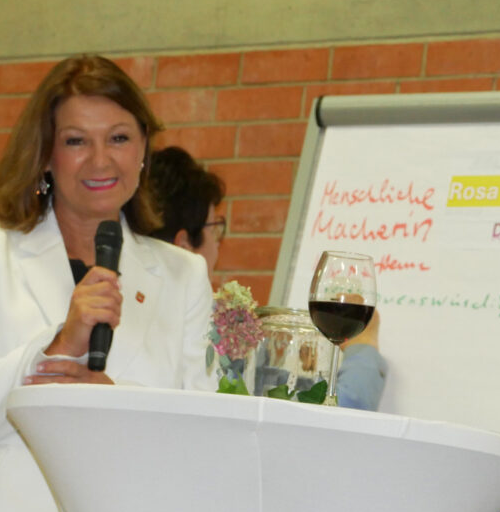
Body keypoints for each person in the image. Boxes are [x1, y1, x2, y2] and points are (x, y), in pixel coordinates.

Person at [0, 55, 217, 512]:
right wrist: (54, 348)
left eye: (119, 138)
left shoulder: (183, 275)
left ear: (143, 149)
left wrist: (113, 402)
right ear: (45, 155)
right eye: (77, 141)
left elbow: (204, 434)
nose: (101, 161)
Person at [146, 146, 387, 410]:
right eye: (214, 227)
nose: (218, 243)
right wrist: (363, 347)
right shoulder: (221, 330)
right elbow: (324, 409)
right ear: (184, 245)